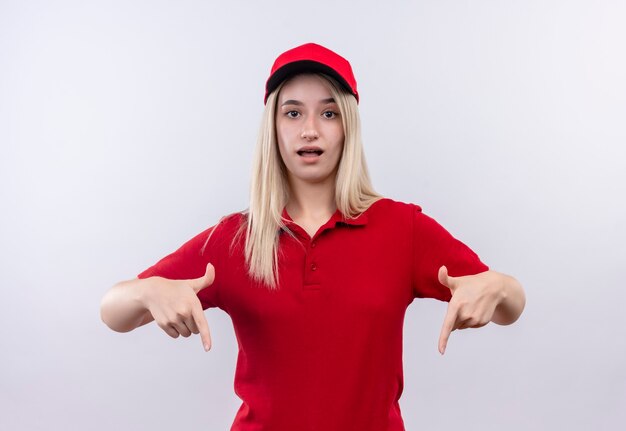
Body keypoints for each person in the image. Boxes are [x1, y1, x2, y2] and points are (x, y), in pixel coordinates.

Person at [100, 42, 525, 431]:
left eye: (328, 113)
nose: (310, 130)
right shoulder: (235, 240)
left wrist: (499, 286)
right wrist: (148, 292)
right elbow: (113, 311)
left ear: (347, 127)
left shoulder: (401, 228)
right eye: (293, 113)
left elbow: (508, 304)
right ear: (275, 128)